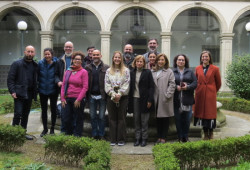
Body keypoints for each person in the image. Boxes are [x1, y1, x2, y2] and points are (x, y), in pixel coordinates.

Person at [7, 45, 38, 140]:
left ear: (34, 53)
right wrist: (12, 91)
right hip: (19, 93)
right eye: (28, 51)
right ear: (25, 52)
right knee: (18, 114)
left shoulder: (35, 65)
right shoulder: (16, 64)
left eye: (32, 52)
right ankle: (14, 134)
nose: (30, 53)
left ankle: (22, 133)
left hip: (29, 93)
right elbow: (10, 79)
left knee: (25, 114)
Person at [194, 50, 221, 140]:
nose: (204, 58)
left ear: (209, 58)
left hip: (210, 94)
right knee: (202, 114)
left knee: (210, 114)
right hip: (200, 94)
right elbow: (195, 81)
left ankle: (211, 132)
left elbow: (219, 83)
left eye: (206, 56)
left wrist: (212, 91)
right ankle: (205, 133)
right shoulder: (197, 68)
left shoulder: (215, 68)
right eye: (203, 57)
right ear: (201, 58)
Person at [128, 55, 154, 147]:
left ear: (144, 63)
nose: (139, 63)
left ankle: (144, 139)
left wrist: (150, 100)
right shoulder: (131, 72)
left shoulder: (148, 72)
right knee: (136, 120)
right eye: (137, 61)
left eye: (141, 62)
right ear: (135, 63)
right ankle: (137, 138)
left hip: (145, 99)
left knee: (144, 120)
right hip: (135, 98)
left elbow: (151, 87)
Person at [105, 51, 130, 146]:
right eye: (115, 57)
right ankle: (113, 139)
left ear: (121, 59)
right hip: (111, 97)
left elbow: (127, 83)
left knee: (121, 119)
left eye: (119, 57)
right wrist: (112, 94)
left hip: (123, 97)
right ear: (113, 58)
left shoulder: (126, 70)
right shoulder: (108, 71)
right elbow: (106, 84)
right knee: (112, 118)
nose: (117, 59)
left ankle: (121, 139)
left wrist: (119, 94)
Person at [61, 51, 88, 137]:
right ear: (72, 60)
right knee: (66, 117)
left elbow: (85, 87)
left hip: (78, 99)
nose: (77, 61)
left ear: (81, 61)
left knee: (78, 118)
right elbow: (64, 85)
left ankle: (77, 135)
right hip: (67, 98)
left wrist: (79, 99)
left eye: (79, 59)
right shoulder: (68, 71)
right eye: (75, 59)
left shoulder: (84, 72)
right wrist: (62, 98)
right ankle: (68, 134)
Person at [85, 49, 109, 140]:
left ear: (101, 56)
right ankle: (94, 133)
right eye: (94, 55)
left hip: (102, 96)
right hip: (91, 96)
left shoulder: (106, 67)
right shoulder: (87, 67)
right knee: (92, 116)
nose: (95, 56)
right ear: (91, 56)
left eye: (97, 55)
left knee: (102, 117)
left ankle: (102, 134)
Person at [172, 54, 197, 142]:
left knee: (187, 119)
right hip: (176, 100)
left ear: (185, 62)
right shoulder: (172, 71)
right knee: (178, 119)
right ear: (176, 61)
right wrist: (176, 87)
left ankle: (185, 136)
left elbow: (195, 83)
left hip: (187, 99)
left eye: (183, 60)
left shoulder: (190, 72)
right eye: (179, 60)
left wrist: (188, 87)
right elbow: (169, 82)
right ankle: (179, 136)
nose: (181, 61)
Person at [152, 53, 175, 144]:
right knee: (157, 119)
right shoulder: (153, 71)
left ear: (165, 61)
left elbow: (172, 84)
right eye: (159, 60)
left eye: (162, 60)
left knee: (165, 119)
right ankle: (159, 137)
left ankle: (163, 138)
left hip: (164, 98)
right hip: (155, 98)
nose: (160, 61)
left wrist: (167, 95)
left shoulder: (169, 71)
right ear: (156, 61)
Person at [38, 48, 58, 137]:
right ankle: (45, 128)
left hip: (53, 90)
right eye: (45, 54)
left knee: (53, 110)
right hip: (42, 90)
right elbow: (37, 75)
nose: (47, 56)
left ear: (52, 55)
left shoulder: (56, 63)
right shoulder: (40, 63)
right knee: (44, 110)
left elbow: (58, 74)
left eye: (48, 54)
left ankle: (52, 128)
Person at [55, 41, 74, 133]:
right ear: (64, 48)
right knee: (64, 111)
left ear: (73, 48)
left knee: (73, 112)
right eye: (66, 47)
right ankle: (64, 131)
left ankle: (71, 131)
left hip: (74, 89)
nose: (68, 49)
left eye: (70, 47)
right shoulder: (59, 60)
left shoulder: (77, 59)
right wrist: (58, 81)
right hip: (62, 88)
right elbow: (55, 74)